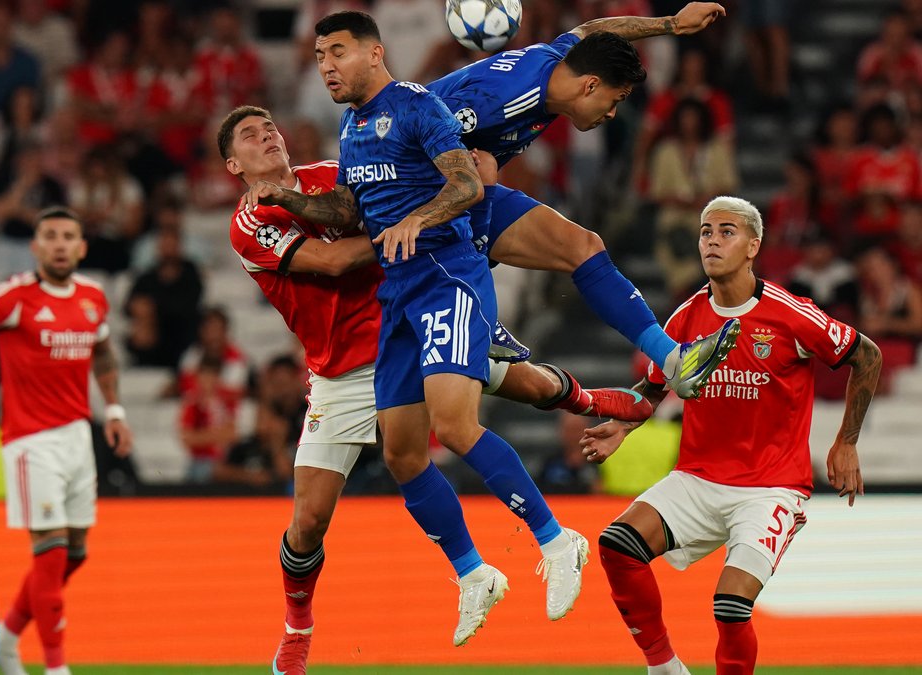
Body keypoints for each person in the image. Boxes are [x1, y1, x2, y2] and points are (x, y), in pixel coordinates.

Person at [237, 12, 648, 658]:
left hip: (441, 277)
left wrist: (415, 219)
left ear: (375, 53)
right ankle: (474, 573)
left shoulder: (415, 105)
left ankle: (555, 537)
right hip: (375, 325)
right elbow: (348, 209)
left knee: (462, 421)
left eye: (337, 52)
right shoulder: (346, 136)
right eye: (319, 56)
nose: (325, 66)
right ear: (231, 162)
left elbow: (464, 182)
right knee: (398, 460)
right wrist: (289, 201)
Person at [581, 196, 883, 675]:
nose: (712, 241)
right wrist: (623, 423)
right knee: (617, 545)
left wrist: (846, 441)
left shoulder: (790, 314)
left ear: (753, 246)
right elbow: (654, 387)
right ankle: (663, 666)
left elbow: (867, 356)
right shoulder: (685, 318)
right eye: (706, 231)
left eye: (727, 231)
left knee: (730, 605)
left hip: (770, 487)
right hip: (698, 479)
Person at [426, 1, 741, 400]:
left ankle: (675, 360)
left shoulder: (560, 64)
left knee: (584, 247)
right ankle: (476, 312)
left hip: (460, 185)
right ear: (590, 85)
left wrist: (673, 24)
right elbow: (410, 140)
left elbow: (592, 30)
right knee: (481, 179)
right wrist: (477, 194)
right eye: (615, 99)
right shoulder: (501, 99)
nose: (612, 113)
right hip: (415, 194)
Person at [0, 207, 132, 675]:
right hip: (30, 440)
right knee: (51, 551)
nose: (60, 244)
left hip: (78, 435)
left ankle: (6, 638)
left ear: (82, 247)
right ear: (35, 246)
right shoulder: (12, 296)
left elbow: (104, 353)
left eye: (68, 236)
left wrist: (114, 411)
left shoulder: (93, 297)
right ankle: (56, 667)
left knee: (74, 554)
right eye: (51, 236)